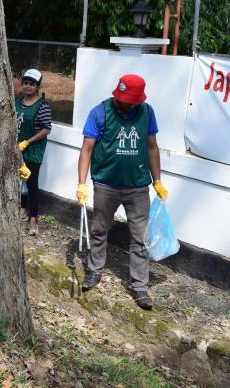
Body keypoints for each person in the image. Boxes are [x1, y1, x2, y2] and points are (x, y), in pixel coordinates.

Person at [76, 74, 168, 310]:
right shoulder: (100, 112)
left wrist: (157, 180)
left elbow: (151, 146)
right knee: (98, 230)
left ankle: (139, 286)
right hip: (106, 184)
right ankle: (94, 270)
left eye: (130, 101)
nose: (125, 103)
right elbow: (87, 149)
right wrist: (81, 183)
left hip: (137, 186)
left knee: (140, 238)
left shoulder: (147, 112)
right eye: (122, 99)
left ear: (138, 100)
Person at [15, 69, 52, 235]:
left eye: (32, 84)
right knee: (20, 181)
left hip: (33, 150)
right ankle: (22, 209)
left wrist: (28, 142)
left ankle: (33, 220)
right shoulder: (17, 102)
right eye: (25, 83)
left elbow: (46, 129)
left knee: (31, 183)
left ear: (37, 86)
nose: (27, 86)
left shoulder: (42, 106)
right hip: (17, 148)